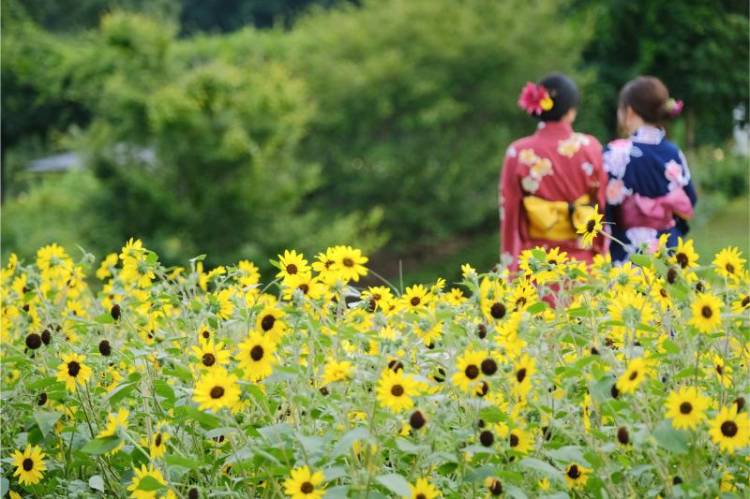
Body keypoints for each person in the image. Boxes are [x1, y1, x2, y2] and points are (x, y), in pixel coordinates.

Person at [500, 73, 607, 269]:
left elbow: (509, 212)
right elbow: (602, 204)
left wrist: (510, 267)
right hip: (583, 264)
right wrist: (600, 251)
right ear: (571, 111)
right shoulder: (591, 147)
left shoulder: (518, 152)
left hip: (537, 264)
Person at [604, 76, 697, 263]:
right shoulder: (674, 153)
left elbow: (603, 207)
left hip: (627, 249)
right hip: (667, 249)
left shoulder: (615, 153)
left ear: (629, 112)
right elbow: (690, 199)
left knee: (629, 291)